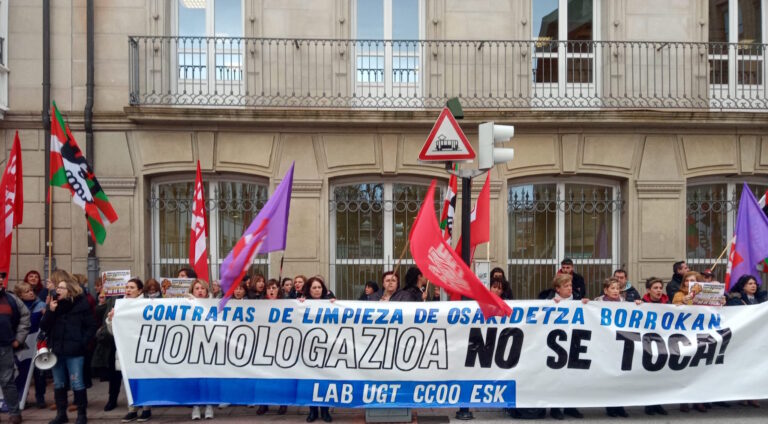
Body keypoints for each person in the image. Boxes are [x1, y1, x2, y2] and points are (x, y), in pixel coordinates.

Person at [40, 270, 97, 424]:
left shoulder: (81, 304)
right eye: (57, 287)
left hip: (75, 351)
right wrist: (50, 312)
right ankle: (61, 414)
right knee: (59, 383)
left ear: (70, 290)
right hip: (57, 349)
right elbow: (44, 326)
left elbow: (91, 326)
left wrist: (82, 342)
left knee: (77, 381)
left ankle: (81, 414)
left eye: (61, 288)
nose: (57, 290)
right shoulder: (54, 304)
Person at [103, 278, 153, 422]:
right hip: (126, 349)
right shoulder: (120, 305)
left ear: (140, 290)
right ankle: (132, 409)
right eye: (127, 287)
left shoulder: (147, 304)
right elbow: (113, 332)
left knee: (143, 379)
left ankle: (146, 409)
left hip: (143, 348)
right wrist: (111, 320)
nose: (128, 290)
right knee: (129, 380)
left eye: (132, 287)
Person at [547, 273, 586, 420]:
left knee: (573, 375)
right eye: (566, 286)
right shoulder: (549, 301)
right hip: (556, 345)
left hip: (574, 342)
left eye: (570, 285)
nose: (570, 288)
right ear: (557, 289)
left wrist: (587, 305)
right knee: (557, 377)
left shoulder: (578, 301)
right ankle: (555, 408)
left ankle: (571, 406)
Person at [727, 274, 764, 407]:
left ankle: (753, 395)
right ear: (743, 286)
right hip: (743, 340)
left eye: (754, 283)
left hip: (758, 341)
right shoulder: (737, 300)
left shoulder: (762, 299)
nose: (753, 285)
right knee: (742, 369)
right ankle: (742, 394)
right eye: (750, 283)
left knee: (755, 369)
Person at [300, 277, 334, 422]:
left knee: (325, 380)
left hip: (325, 347)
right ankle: (312, 411)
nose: (317, 290)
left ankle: (325, 411)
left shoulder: (330, 301)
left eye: (319, 287)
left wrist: (334, 303)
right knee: (311, 380)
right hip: (308, 347)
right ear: (309, 289)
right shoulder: (302, 302)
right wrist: (298, 304)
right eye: (314, 288)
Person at [0, 277, 30, 424]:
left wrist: (19, 338)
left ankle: (15, 413)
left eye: (1, 278)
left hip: (5, 346)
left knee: (7, 381)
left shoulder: (11, 299)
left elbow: (25, 316)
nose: (0, 280)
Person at [14, 282, 46, 409]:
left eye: (31, 290)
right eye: (26, 291)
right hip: (23, 343)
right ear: (20, 295)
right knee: (22, 370)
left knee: (39, 371)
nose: (31, 293)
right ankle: (22, 396)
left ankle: (40, 397)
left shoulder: (41, 305)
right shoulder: (17, 306)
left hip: (36, 342)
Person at [186, 280, 215, 420]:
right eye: (197, 288)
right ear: (192, 290)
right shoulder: (186, 304)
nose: (200, 291)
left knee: (208, 377)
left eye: (203, 288)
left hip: (209, 345)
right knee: (195, 377)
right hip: (193, 345)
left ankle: (209, 405)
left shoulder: (215, 304)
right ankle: (196, 406)